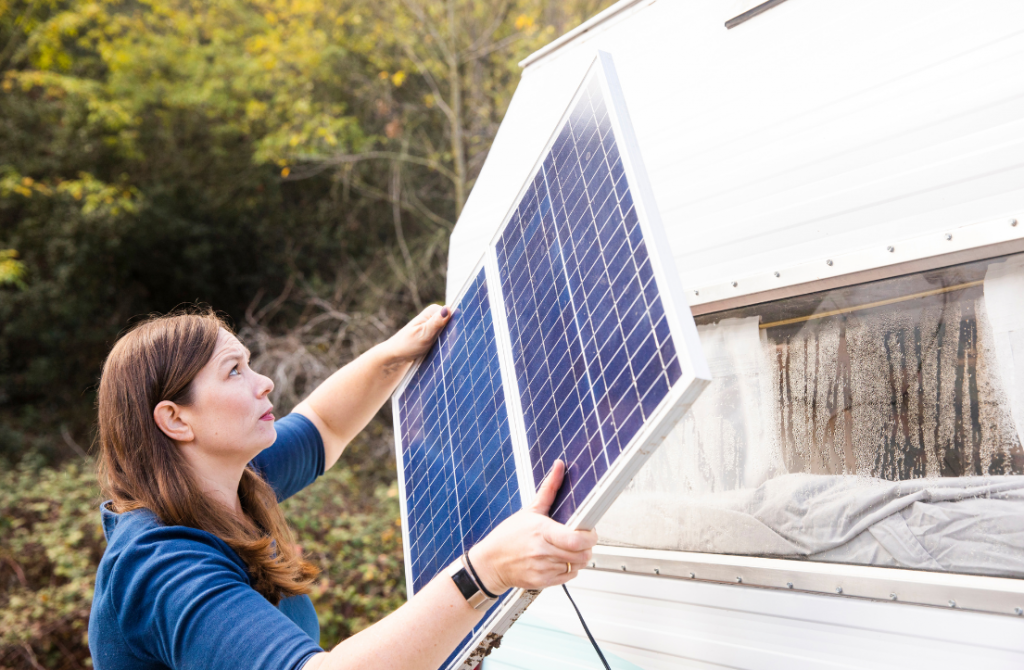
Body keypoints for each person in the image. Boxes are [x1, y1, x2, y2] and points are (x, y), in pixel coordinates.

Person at [87, 305, 596, 670]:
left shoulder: (227, 480)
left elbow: (325, 425)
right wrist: (485, 571)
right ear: (176, 420)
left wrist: (392, 355)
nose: (263, 382)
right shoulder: (162, 568)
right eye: (234, 371)